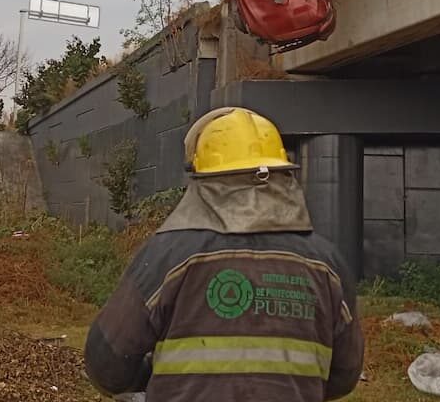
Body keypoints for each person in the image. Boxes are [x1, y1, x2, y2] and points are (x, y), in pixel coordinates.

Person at [84, 107, 365, 402]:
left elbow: (106, 364)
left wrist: (153, 376)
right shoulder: (326, 264)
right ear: (282, 175)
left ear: (203, 178)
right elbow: (344, 376)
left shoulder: (168, 256)